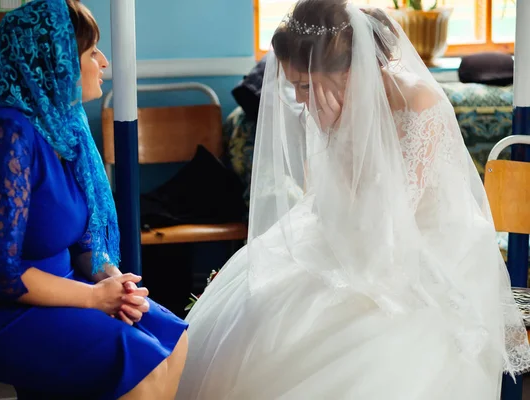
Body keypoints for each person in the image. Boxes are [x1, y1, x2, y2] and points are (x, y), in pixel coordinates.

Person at [176, 1, 530, 399]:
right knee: (262, 305)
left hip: (421, 241)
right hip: (351, 226)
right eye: (294, 85)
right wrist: (333, 135)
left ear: (352, 68)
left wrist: (343, 143)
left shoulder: (420, 103)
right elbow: (327, 198)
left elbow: (391, 216)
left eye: (307, 85)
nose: (300, 97)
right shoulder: (330, 103)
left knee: (364, 335)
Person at [0, 1, 187, 399]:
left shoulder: (61, 126)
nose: (102, 61)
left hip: (56, 288)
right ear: (56, 63)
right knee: (139, 365)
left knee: (172, 336)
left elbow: (82, 239)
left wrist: (111, 281)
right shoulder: (5, 136)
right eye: (90, 52)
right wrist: (94, 298)